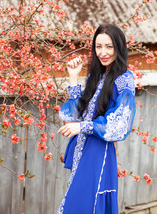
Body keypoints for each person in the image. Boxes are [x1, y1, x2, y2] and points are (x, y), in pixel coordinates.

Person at [57, 23, 136, 214]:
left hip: (98, 153)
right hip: (83, 151)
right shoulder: (96, 76)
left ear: (119, 47)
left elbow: (121, 122)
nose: (103, 52)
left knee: (81, 207)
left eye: (109, 46)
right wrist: (74, 79)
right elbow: (74, 116)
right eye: (98, 46)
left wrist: (84, 127)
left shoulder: (124, 79)